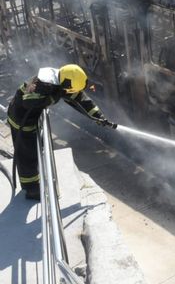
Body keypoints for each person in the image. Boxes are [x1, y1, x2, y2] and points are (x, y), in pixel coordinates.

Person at [7, 64, 114, 200]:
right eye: (70, 90)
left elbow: (80, 99)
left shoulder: (62, 79)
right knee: (27, 156)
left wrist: (98, 117)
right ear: (66, 84)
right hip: (21, 122)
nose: (72, 93)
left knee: (36, 151)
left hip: (33, 119)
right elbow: (27, 103)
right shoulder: (43, 85)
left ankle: (37, 179)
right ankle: (32, 189)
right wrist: (51, 96)